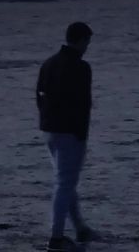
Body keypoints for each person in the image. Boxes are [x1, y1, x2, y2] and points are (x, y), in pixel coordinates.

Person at [37, 21, 95, 250]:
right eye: (87, 41)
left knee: (65, 181)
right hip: (71, 131)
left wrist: (45, 119)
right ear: (80, 40)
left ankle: (80, 228)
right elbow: (83, 104)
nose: (87, 46)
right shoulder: (81, 68)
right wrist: (82, 133)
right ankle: (57, 236)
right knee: (65, 183)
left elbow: (39, 95)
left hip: (49, 129)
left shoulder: (49, 63)